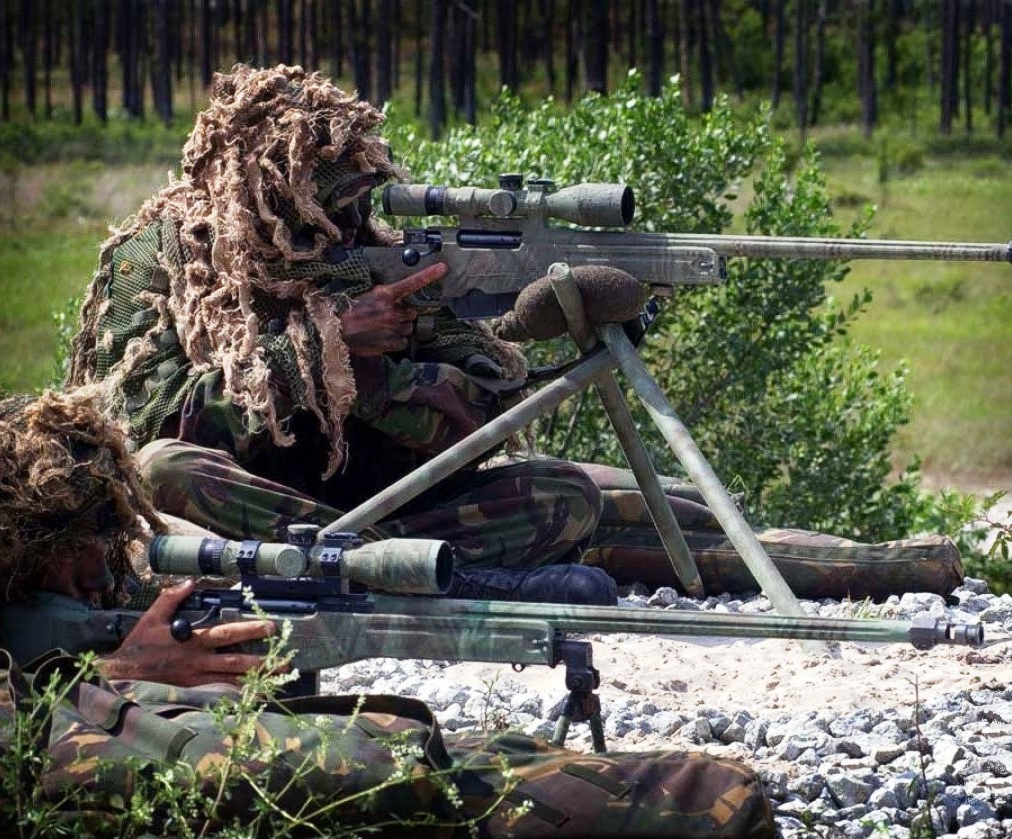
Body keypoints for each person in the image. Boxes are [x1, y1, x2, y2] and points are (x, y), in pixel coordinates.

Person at [65, 63, 962, 605]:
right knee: (163, 472)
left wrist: (503, 335)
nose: (346, 234)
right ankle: (401, 570)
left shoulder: (380, 256)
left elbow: (471, 421)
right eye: (321, 216)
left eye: (356, 210)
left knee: (605, 493)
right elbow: (150, 422)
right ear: (260, 194)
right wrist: (329, 349)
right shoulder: (165, 256)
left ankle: (899, 565)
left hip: (389, 503)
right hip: (240, 515)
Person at [0, 387, 775, 838]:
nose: (99, 571)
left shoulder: (128, 568)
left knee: (587, 502)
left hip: (367, 525)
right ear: (7, 559)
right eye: (75, 556)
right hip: (237, 762)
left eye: (103, 542)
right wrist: (127, 672)